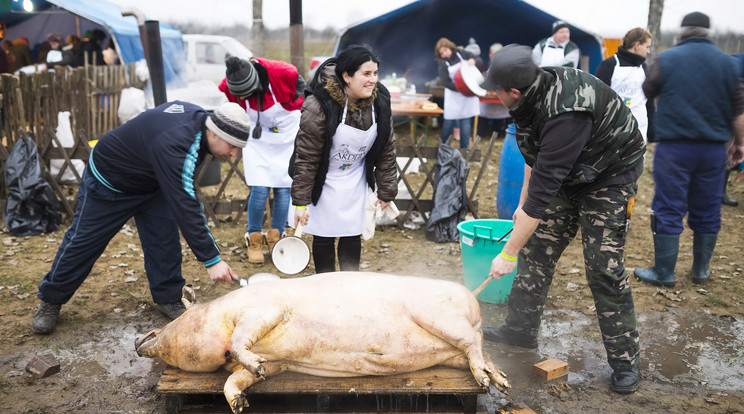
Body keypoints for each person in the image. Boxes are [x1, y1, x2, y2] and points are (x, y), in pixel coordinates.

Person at [480, 44, 646, 393]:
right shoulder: (529, 97)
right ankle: (519, 331)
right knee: (535, 250)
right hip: (566, 173)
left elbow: (543, 193)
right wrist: (521, 202)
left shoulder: (567, 111)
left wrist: (506, 254)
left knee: (603, 267)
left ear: (512, 91)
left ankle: (625, 362)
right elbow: (534, 155)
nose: (492, 95)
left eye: (495, 90)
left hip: (608, 174)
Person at [31, 101, 252, 335]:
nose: (233, 154)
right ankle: (51, 300)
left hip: (152, 183)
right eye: (233, 146)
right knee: (83, 243)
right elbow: (186, 203)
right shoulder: (177, 141)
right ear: (215, 135)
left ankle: (168, 297)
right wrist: (212, 259)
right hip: (110, 181)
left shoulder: (201, 126)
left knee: (164, 241)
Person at [634, 12, 744, 287]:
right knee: (708, 207)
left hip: (674, 148)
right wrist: (740, 144)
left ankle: (664, 272)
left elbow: (647, 89)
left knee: (669, 206)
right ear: (708, 34)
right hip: (713, 150)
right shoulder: (729, 63)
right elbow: (739, 111)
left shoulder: (668, 58)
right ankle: (700, 271)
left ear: (683, 32)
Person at [289, 44, 397, 273]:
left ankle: (350, 285)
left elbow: (387, 148)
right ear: (347, 76)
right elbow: (306, 157)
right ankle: (325, 286)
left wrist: (386, 191)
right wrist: (300, 202)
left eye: (375, 73)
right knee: (324, 236)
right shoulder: (319, 104)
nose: (372, 80)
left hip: (354, 177)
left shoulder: (380, 101)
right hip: (323, 178)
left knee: (351, 233)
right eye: (366, 74)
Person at [218, 55, 304, 264]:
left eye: (248, 92)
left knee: (284, 187)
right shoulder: (227, 84)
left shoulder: (282, 73)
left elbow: (301, 86)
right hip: (258, 140)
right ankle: (254, 237)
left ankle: (276, 235)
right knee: (260, 187)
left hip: (285, 135)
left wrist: (296, 100)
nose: (245, 96)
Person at [595, 28, 655, 142]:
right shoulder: (609, 65)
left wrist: (652, 131)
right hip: (613, 132)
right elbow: (598, 100)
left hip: (639, 130)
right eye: (647, 47)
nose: (648, 51)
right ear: (637, 45)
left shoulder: (644, 68)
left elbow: (649, 102)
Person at [435, 37, 482, 149]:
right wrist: (461, 88)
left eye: (445, 51)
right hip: (453, 96)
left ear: (450, 48)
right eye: (441, 53)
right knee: (448, 122)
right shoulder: (443, 64)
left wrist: (473, 61)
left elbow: (479, 61)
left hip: (467, 96)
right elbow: (446, 82)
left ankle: (463, 151)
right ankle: (444, 149)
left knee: (465, 122)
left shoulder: (462, 53)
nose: (444, 54)